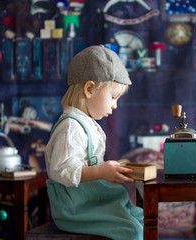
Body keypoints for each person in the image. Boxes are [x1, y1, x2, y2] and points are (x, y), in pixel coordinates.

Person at [45, 45, 143, 240]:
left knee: (141, 218)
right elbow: (62, 170)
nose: (115, 105)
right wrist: (101, 172)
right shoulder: (71, 127)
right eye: (113, 97)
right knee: (132, 231)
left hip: (91, 200)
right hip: (76, 208)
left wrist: (111, 169)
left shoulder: (87, 123)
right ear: (89, 89)